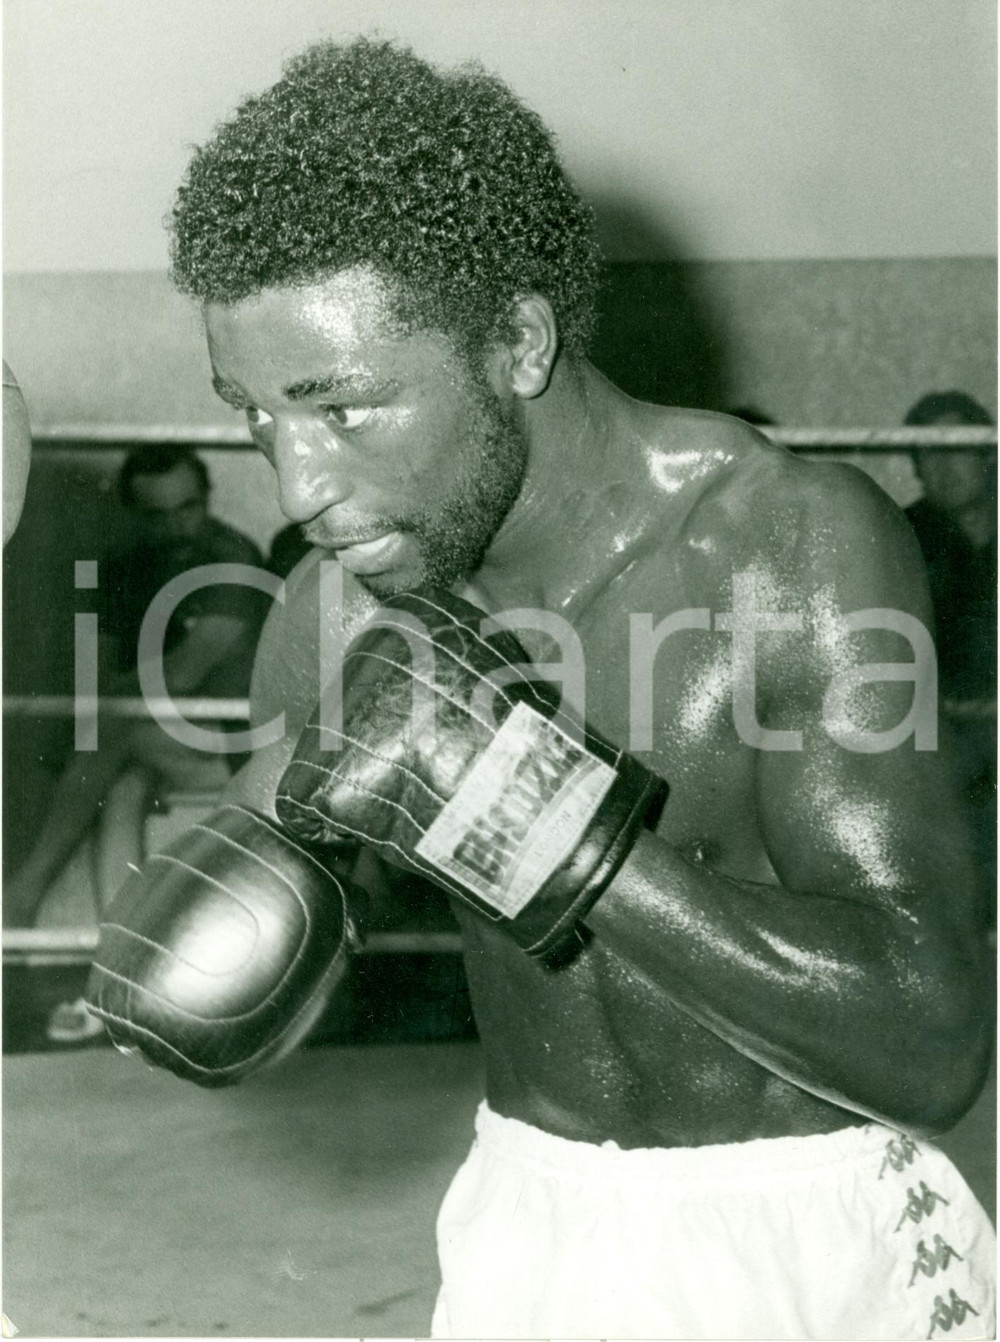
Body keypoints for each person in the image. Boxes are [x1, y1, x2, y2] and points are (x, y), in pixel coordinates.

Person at [86, 39, 994, 1340]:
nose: (298, 488)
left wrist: (538, 818)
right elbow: (261, 883)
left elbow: (932, 1039)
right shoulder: (350, 591)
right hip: (528, 1217)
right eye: (258, 417)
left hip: (810, 1232)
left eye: (343, 409)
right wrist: (235, 889)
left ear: (516, 337)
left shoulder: (786, 545)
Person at [5, 446, 268, 936]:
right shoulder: (125, 567)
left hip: (242, 744)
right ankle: (121, 942)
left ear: (207, 498)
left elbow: (183, 674)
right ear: (133, 513)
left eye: (188, 508)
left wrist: (99, 709)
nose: (177, 528)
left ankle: (24, 891)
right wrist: (100, 705)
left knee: (115, 730)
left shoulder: (233, 558)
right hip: (163, 737)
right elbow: (98, 674)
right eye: (157, 516)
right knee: (121, 784)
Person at [904, 391, 996, 920]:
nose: (945, 466)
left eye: (957, 448)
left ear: (988, 453)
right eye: (929, 453)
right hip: (946, 745)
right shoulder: (905, 537)